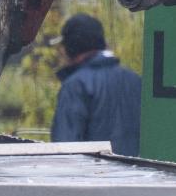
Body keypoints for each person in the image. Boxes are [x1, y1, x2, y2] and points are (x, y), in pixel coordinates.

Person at [49, 13, 142, 155]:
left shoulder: (76, 85)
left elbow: (65, 147)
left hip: (95, 175)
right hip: (140, 174)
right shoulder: (136, 81)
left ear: (70, 48)